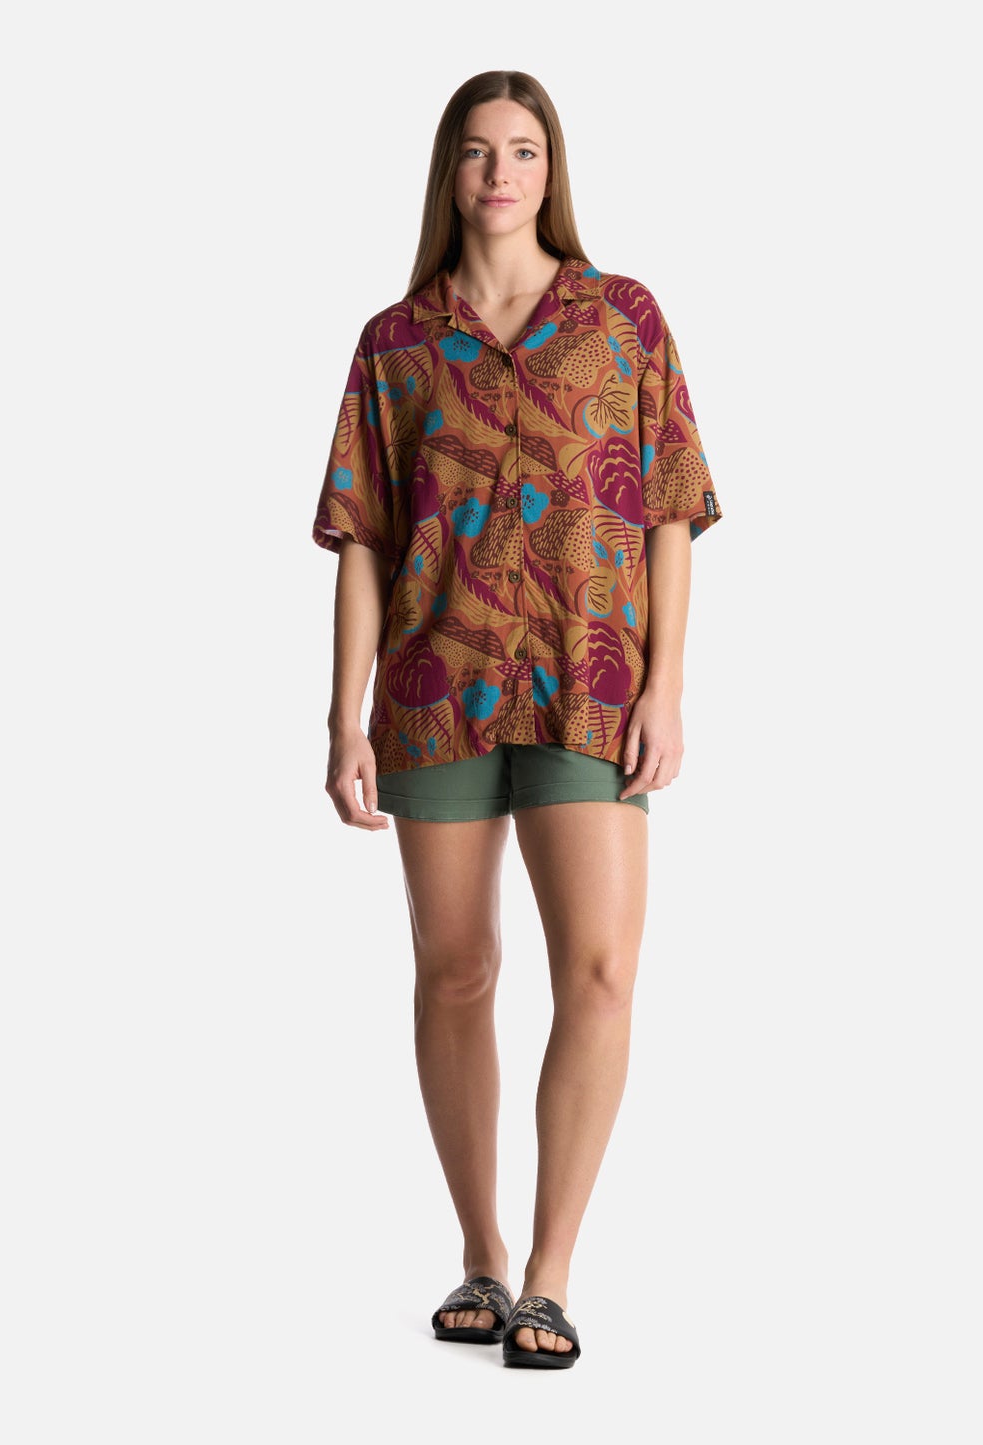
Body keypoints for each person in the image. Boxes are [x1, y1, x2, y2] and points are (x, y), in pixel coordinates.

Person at [311, 70, 723, 1369]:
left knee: (598, 970)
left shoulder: (620, 317)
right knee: (456, 970)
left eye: (526, 149)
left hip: (589, 684)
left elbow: (669, 505)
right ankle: (481, 1254)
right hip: (434, 686)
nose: (502, 173)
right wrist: (343, 717)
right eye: (480, 151)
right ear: (449, 170)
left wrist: (665, 684)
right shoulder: (395, 342)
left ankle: (550, 1273)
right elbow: (364, 537)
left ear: (553, 169)